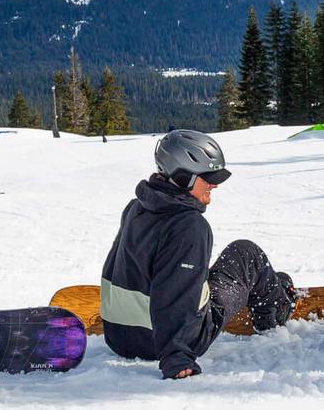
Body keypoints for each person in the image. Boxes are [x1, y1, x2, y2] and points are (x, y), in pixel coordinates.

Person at [99, 130, 299, 379]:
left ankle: (268, 289)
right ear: (182, 178)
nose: (214, 185)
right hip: (164, 343)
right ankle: (275, 310)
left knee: (200, 271)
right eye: (208, 178)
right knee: (246, 254)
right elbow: (176, 290)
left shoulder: (137, 208)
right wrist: (176, 355)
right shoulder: (189, 226)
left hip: (120, 336)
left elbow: (120, 266)